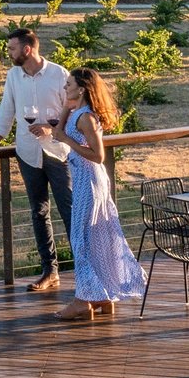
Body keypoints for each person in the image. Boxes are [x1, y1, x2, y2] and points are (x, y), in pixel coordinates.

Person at [33, 67, 146, 320]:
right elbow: (60, 130)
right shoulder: (75, 111)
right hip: (83, 179)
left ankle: (83, 301)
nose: (64, 87)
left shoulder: (86, 118)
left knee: (82, 239)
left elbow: (98, 156)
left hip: (91, 181)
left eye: (69, 84)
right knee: (91, 238)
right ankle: (103, 297)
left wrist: (68, 140)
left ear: (82, 88)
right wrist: (66, 108)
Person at [0, 27, 72, 293]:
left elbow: (70, 111)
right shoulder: (14, 76)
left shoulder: (59, 74)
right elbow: (7, 110)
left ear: (27, 49)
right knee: (39, 212)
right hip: (27, 153)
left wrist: (51, 128)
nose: (9, 53)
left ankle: (85, 271)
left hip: (58, 152)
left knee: (70, 210)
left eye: (12, 48)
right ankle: (50, 271)